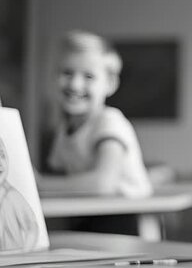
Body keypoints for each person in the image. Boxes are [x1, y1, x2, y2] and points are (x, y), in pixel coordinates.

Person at [37, 30, 152, 198]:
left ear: (110, 84)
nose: (75, 85)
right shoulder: (64, 130)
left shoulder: (110, 122)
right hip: (88, 213)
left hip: (125, 216)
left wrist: (41, 184)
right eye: (67, 73)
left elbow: (103, 184)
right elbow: (61, 178)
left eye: (88, 76)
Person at [0, 137, 39, 253]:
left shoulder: (12, 196)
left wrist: (24, 253)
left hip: (13, 261)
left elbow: (32, 227)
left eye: (1, 155)